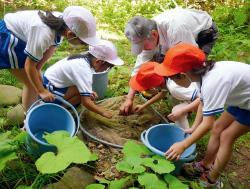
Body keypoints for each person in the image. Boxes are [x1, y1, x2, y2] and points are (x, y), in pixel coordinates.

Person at [153, 42, 250, 188]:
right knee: (218, 127)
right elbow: (203, 104)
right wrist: (194, 127)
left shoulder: (213, 82)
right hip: (242, 97)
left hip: (247, 102)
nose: (172, 82)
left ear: (183, 75)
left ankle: (212, 180)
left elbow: (208, 123)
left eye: (172, 78)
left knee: (227, 136)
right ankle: (205, 165)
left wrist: (183, 145)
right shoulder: (200, 75)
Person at [0, 6, 102, 111]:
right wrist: (41, 91)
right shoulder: (43, 33)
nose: (82, 45)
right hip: (8, 36)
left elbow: (52, 46)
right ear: (70, 34)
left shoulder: (63, 23)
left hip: (25, 35)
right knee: (31, 84)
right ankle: (30, 119)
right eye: (82, 42)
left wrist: (38, 68)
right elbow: (29, 65)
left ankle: (35, 106)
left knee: (36, 78)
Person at [120, 8, 219, 115]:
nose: (142, 49)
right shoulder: (146, 35)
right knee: (171, 77)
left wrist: (176, 86)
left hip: (203, 31)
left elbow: (191, 62)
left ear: (154, 34)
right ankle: (180, 97)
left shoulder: (175, 30)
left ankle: (198, 99)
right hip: (172, 37)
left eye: (143, 45)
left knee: (192, 72)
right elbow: (138, 70)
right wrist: (129, 98)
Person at [42, 40, 124, 119]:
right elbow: (86, 102)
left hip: (48, 82)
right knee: (82, 98)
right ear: (98, 61)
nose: (108, 69)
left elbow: (77, 79)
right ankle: (58, 109)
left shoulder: (82, 59)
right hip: (49, 91)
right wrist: (102, 112)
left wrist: (89, 91)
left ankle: (60, 107)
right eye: (108, 67)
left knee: (86, 94)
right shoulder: (84, 70)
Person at [129, 62, 199, 129]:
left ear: (153, 88)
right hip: (194, 92)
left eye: (146, 90)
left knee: (176, 110)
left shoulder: (174, 87)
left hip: (204, 97)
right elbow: (162, 94)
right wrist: (143, 106)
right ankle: (182, 117)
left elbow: (202, 98)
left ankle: (186, 135)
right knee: (172, 97)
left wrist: (182, 111)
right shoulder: (165, 78)